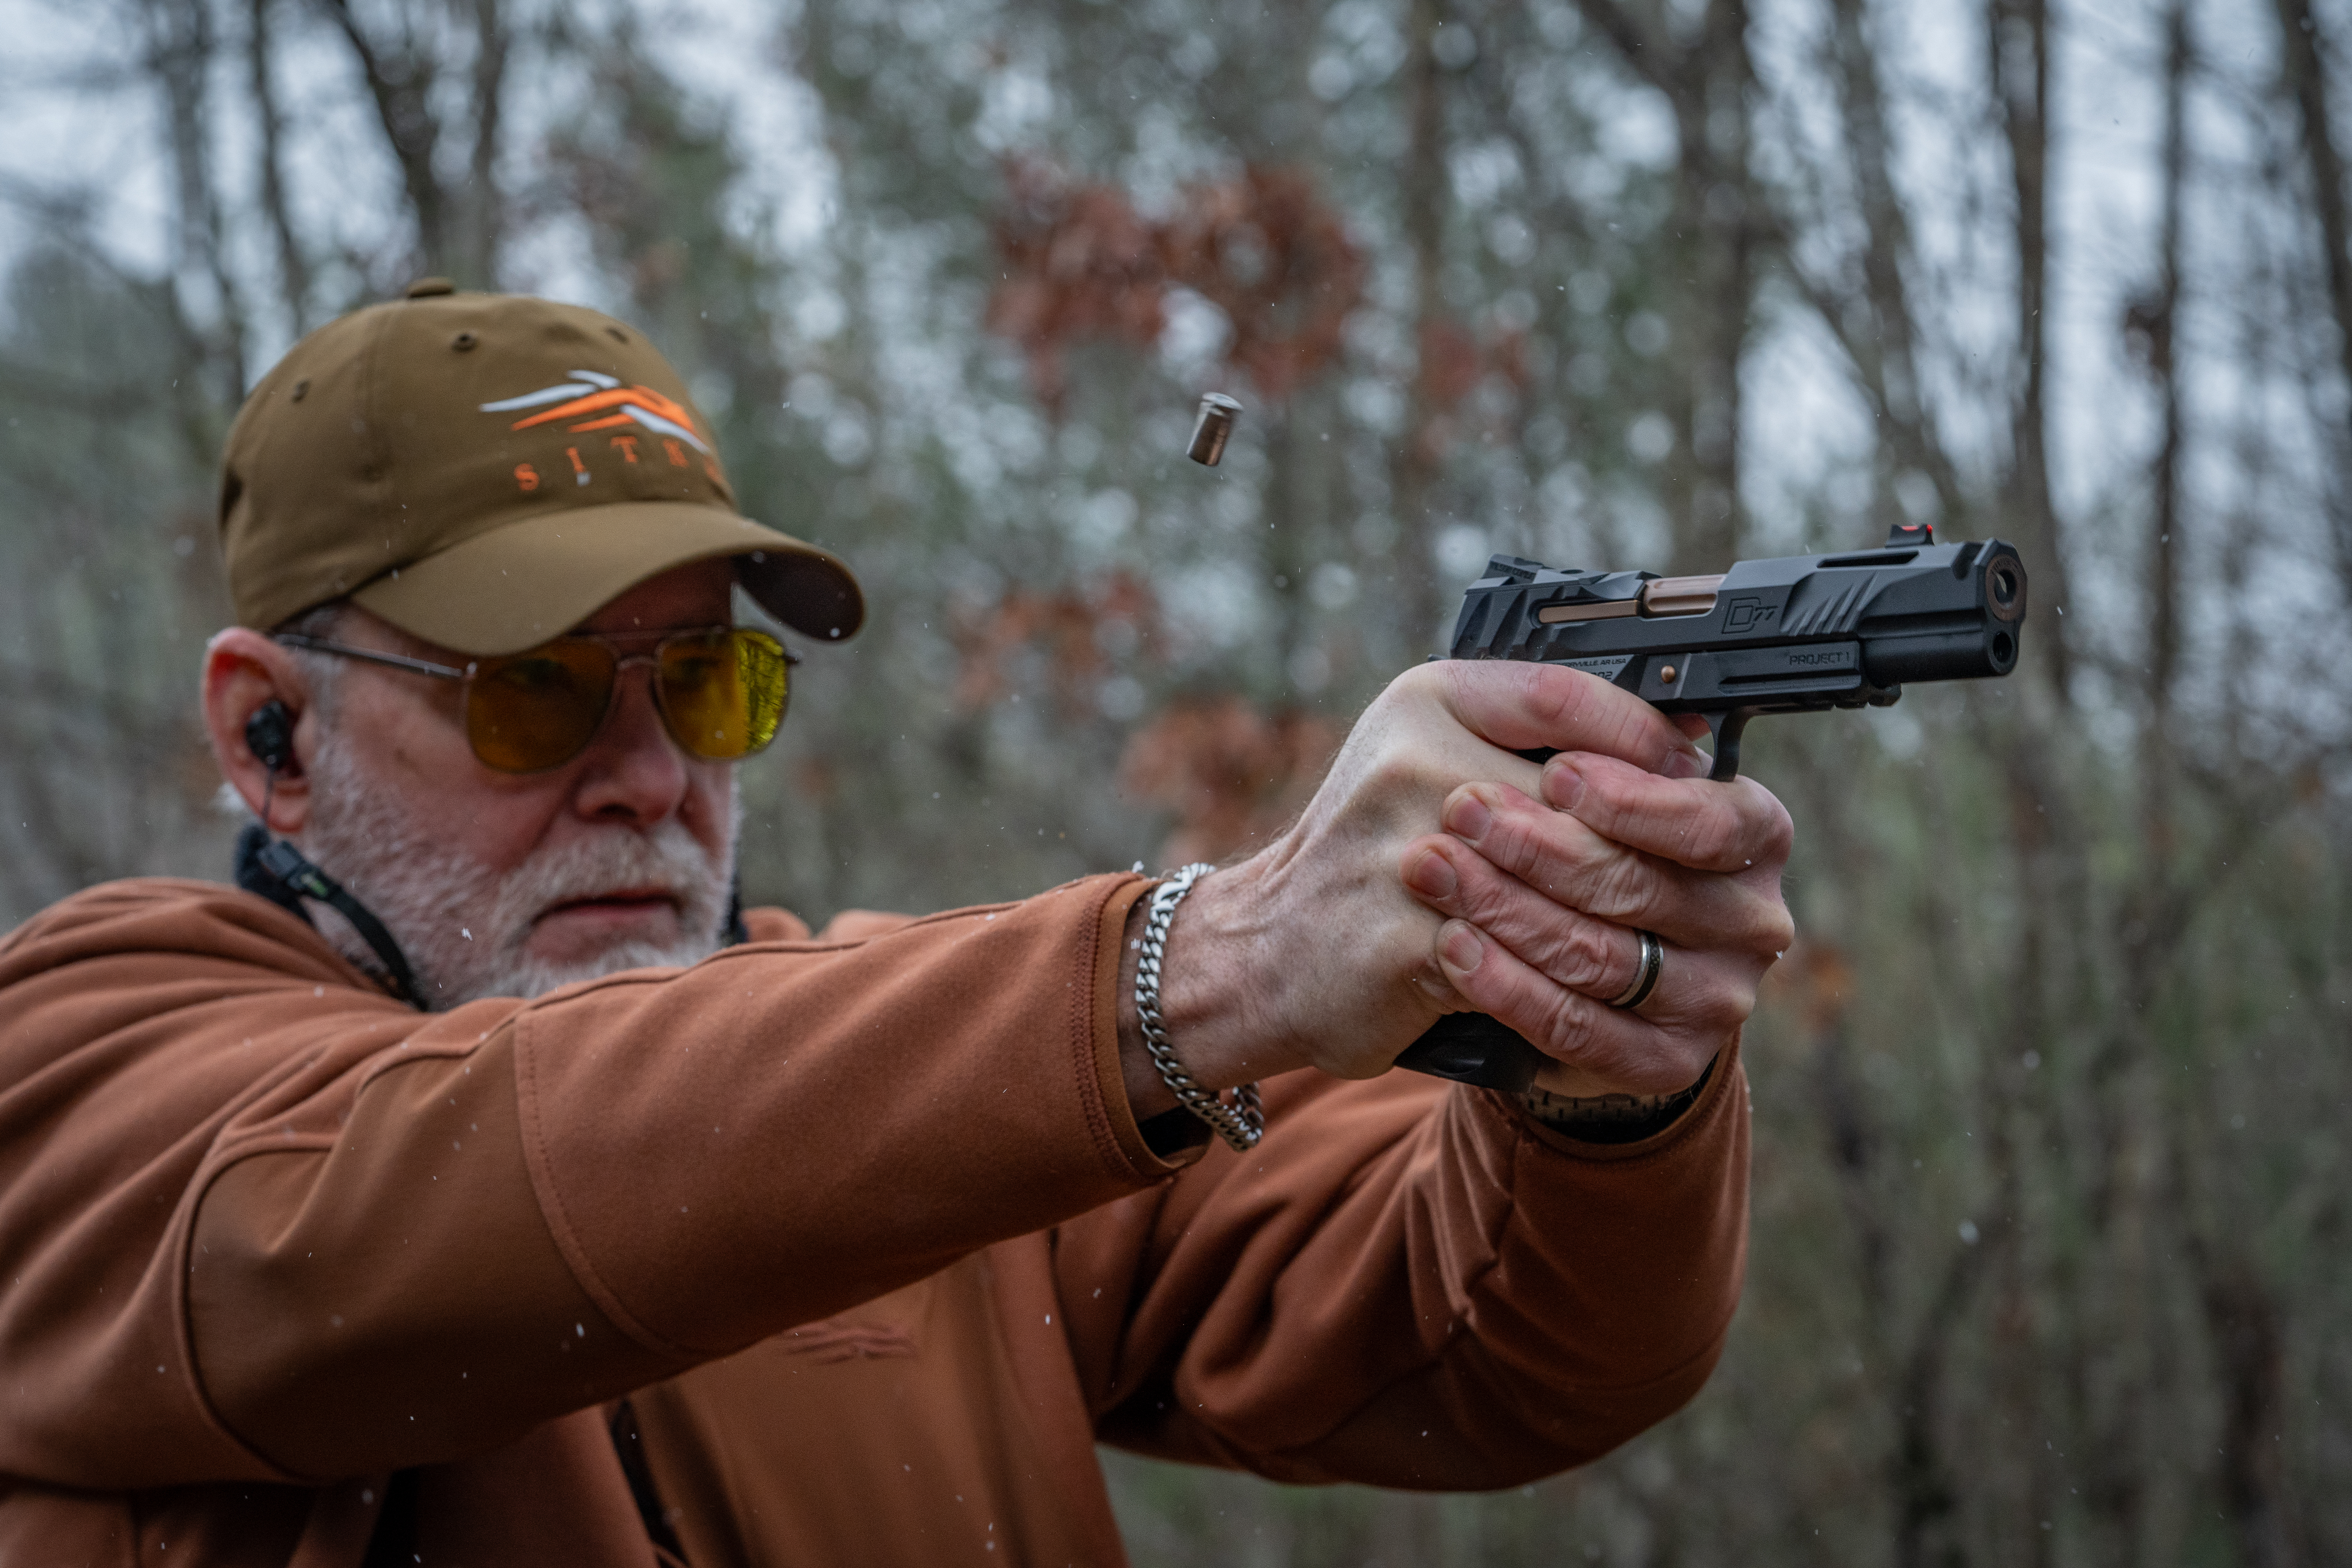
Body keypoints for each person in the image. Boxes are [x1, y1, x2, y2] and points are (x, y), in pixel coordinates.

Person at [0, 282, 1793, 1566]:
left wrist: (1587, 1043)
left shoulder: (928, 1079)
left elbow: (1514, 1351)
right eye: (534, 697)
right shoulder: (86, 1063)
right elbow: (418, 1193)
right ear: (270, 735)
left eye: (703, 686)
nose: (649, 777)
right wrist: (1213, 961)